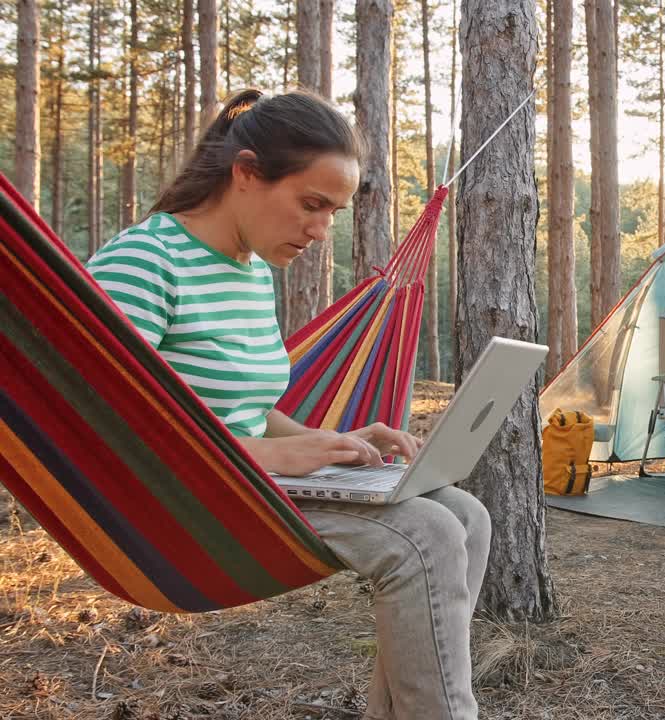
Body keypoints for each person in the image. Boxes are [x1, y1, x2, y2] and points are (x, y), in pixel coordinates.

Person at [86, 88, 489, 720]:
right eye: (312, 204)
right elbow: (107, 428)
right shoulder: (146, 261)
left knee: (465, 515)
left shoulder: (247, 271)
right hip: (184, 505)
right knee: (425, 534)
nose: (321, 230)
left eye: (333, 212)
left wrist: (335, 442)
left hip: (250, 482)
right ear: (246, 173)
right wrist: (272, 454)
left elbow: (237, 405)